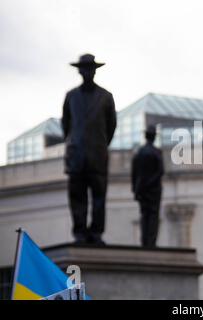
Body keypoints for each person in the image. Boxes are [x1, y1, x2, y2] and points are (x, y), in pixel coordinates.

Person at [62, 54, 117, 245]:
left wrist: (99, 144)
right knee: (77, 197)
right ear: (79, 71)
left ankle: (96, 233)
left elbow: (111, 126)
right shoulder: (71, 97)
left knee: (99, 198)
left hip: (97, 156)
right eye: (84, 68)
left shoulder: (106, 97)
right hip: (76, 156)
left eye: (90, 68)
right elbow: (66, 125)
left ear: (95, 71)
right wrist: (75, 144)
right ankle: (80, 232)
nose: (87, 72)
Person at [131, 125, 164, 247]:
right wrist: (151, 183)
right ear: (154, 137)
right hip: (154, 190)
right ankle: (151, 242)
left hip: (142, 189)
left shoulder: (139, 153)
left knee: (144, 215)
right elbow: (160, 171)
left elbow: (134, 174)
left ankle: (144, 241)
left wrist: (135, 189)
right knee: (153, 216)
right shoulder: (157, 152)